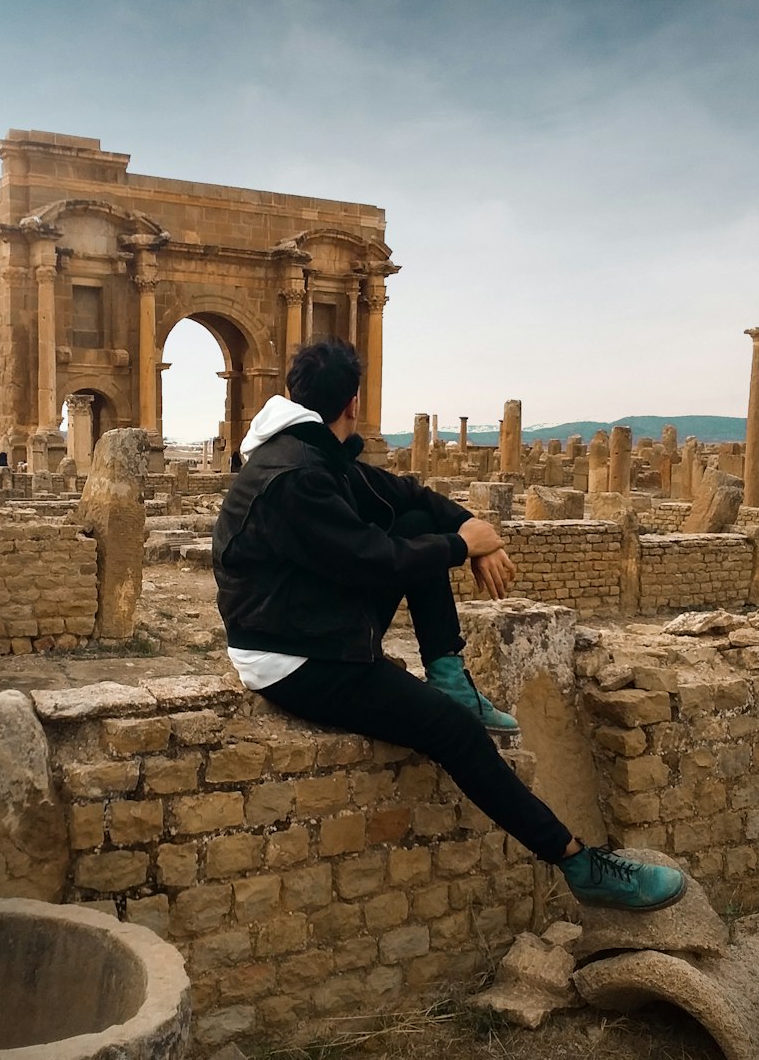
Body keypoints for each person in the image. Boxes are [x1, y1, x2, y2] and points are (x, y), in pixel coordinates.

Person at [212, 339, 685, 911]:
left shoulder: (311, 452)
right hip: (291, 657)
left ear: (297, 394)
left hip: (305, 620)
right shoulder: (296, 476)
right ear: (354, 402)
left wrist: (474, 533)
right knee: (453, 733)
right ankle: (579, 863)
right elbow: (373, 561)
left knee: (412, 519)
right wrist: (460, 546)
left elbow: (409, 496)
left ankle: (449, 673)